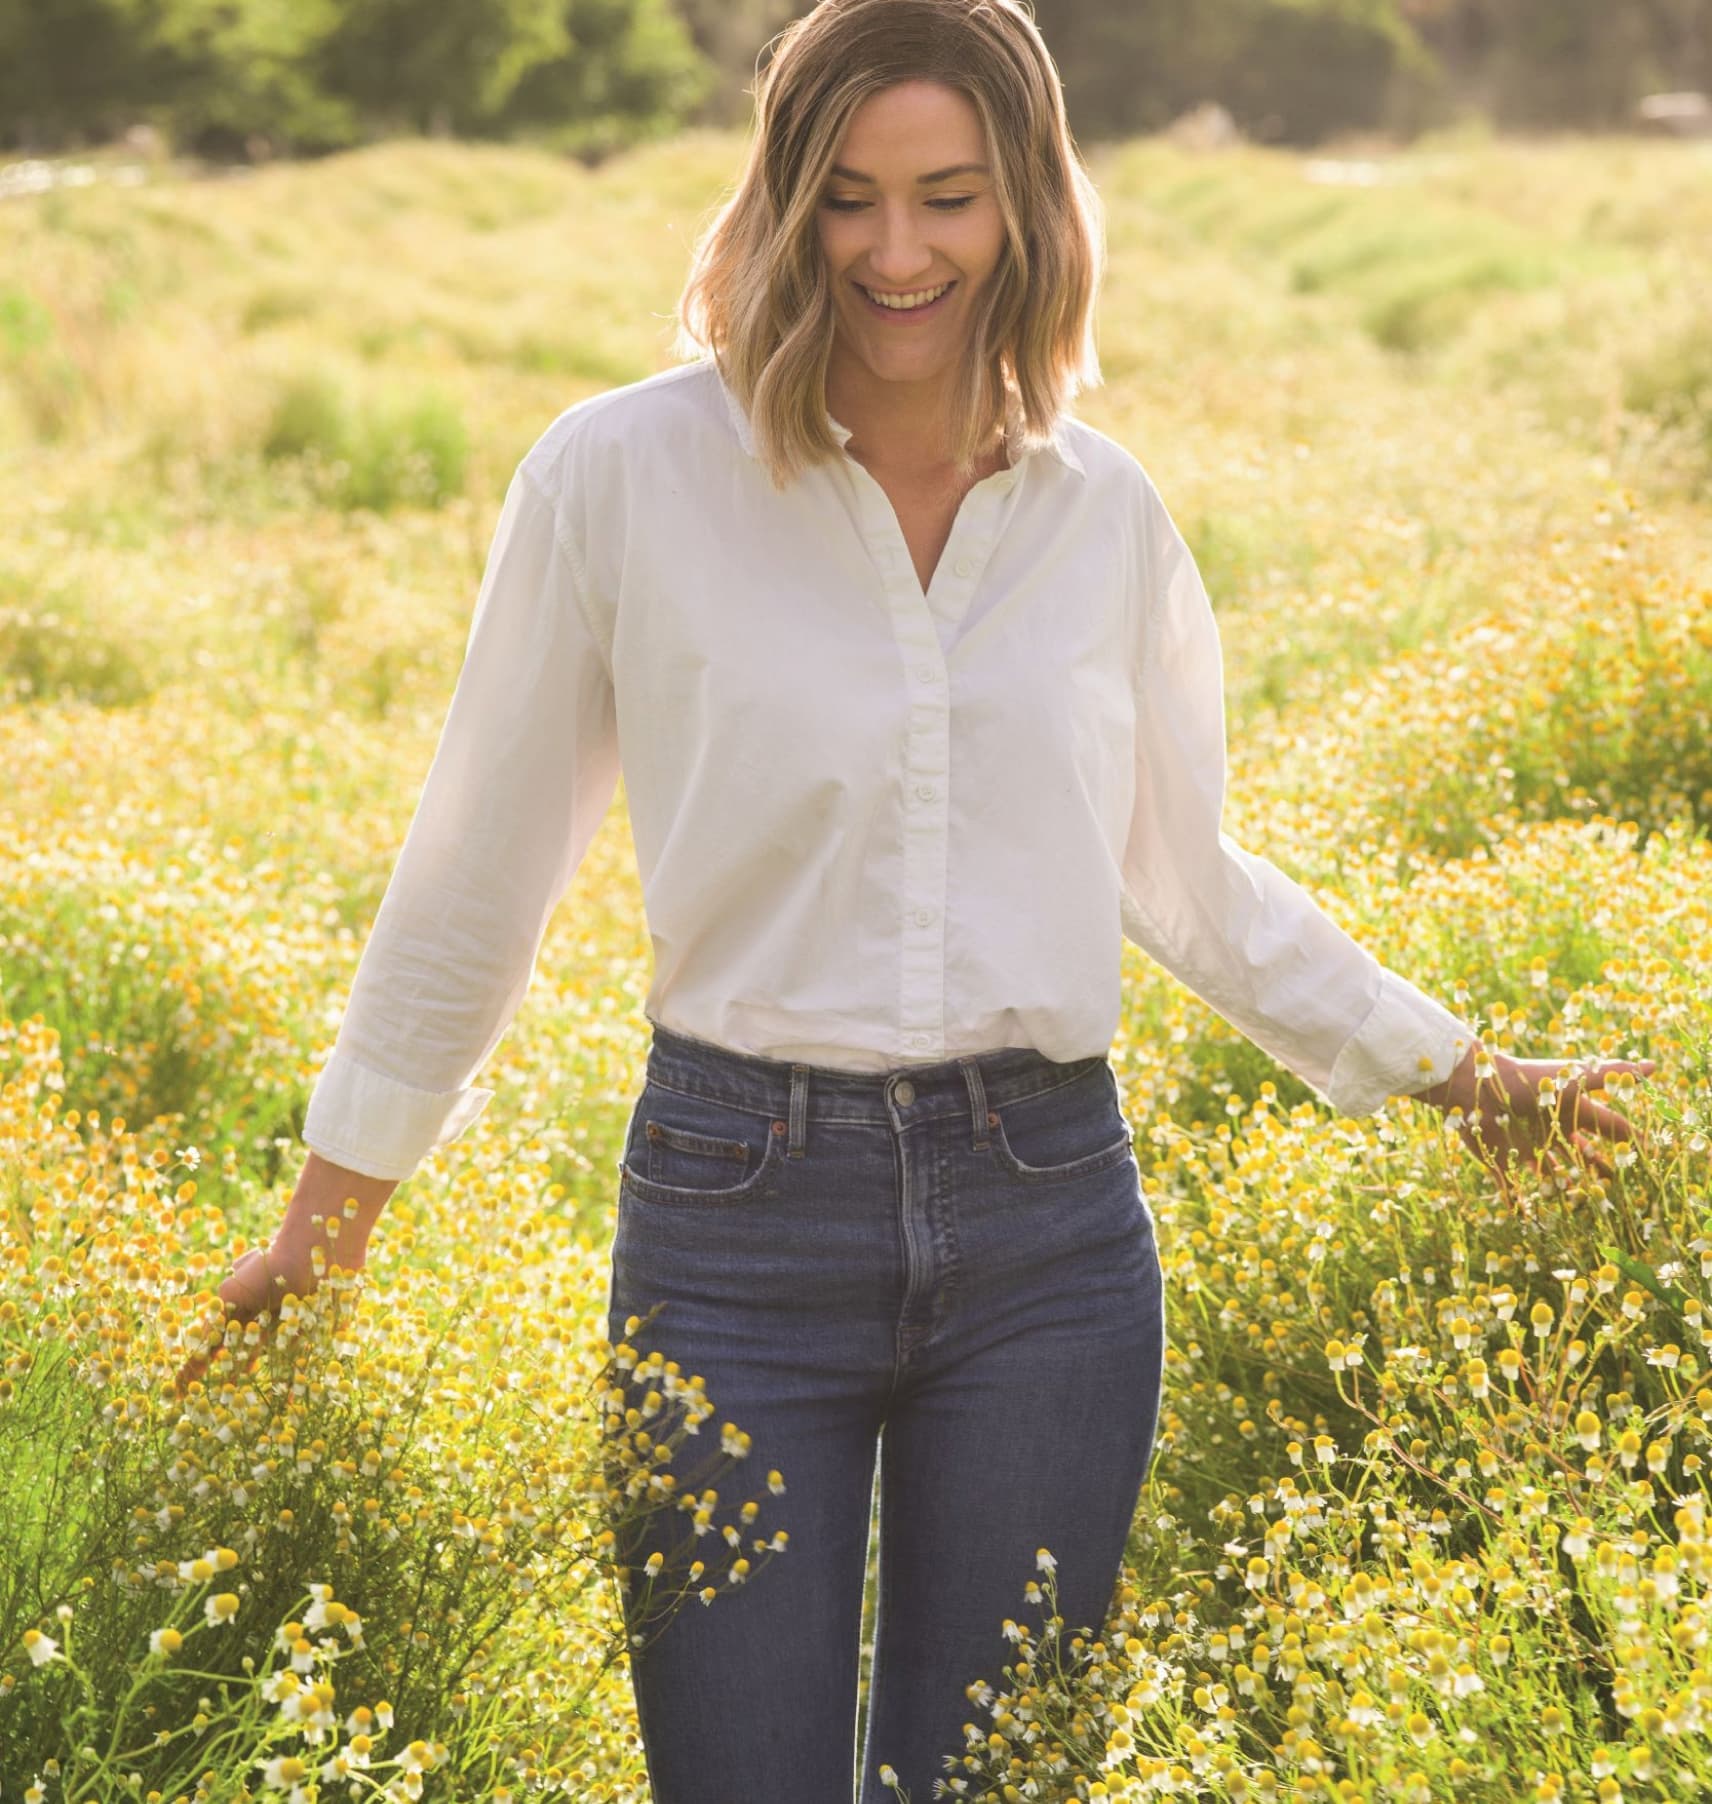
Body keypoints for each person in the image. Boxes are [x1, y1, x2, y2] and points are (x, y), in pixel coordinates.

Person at [175, 0, 1655, 1796]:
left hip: (1049, 1236)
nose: (897, 253)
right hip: (734, 1225)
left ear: (1029, 205)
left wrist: (1460, 1072)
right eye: (848, 200)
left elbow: (1186, 877)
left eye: (948, 196)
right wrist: (328, 1224)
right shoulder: (621, 478)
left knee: (999, 1785)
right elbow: (477, 873)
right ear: (780, 207)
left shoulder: (1104, 517)